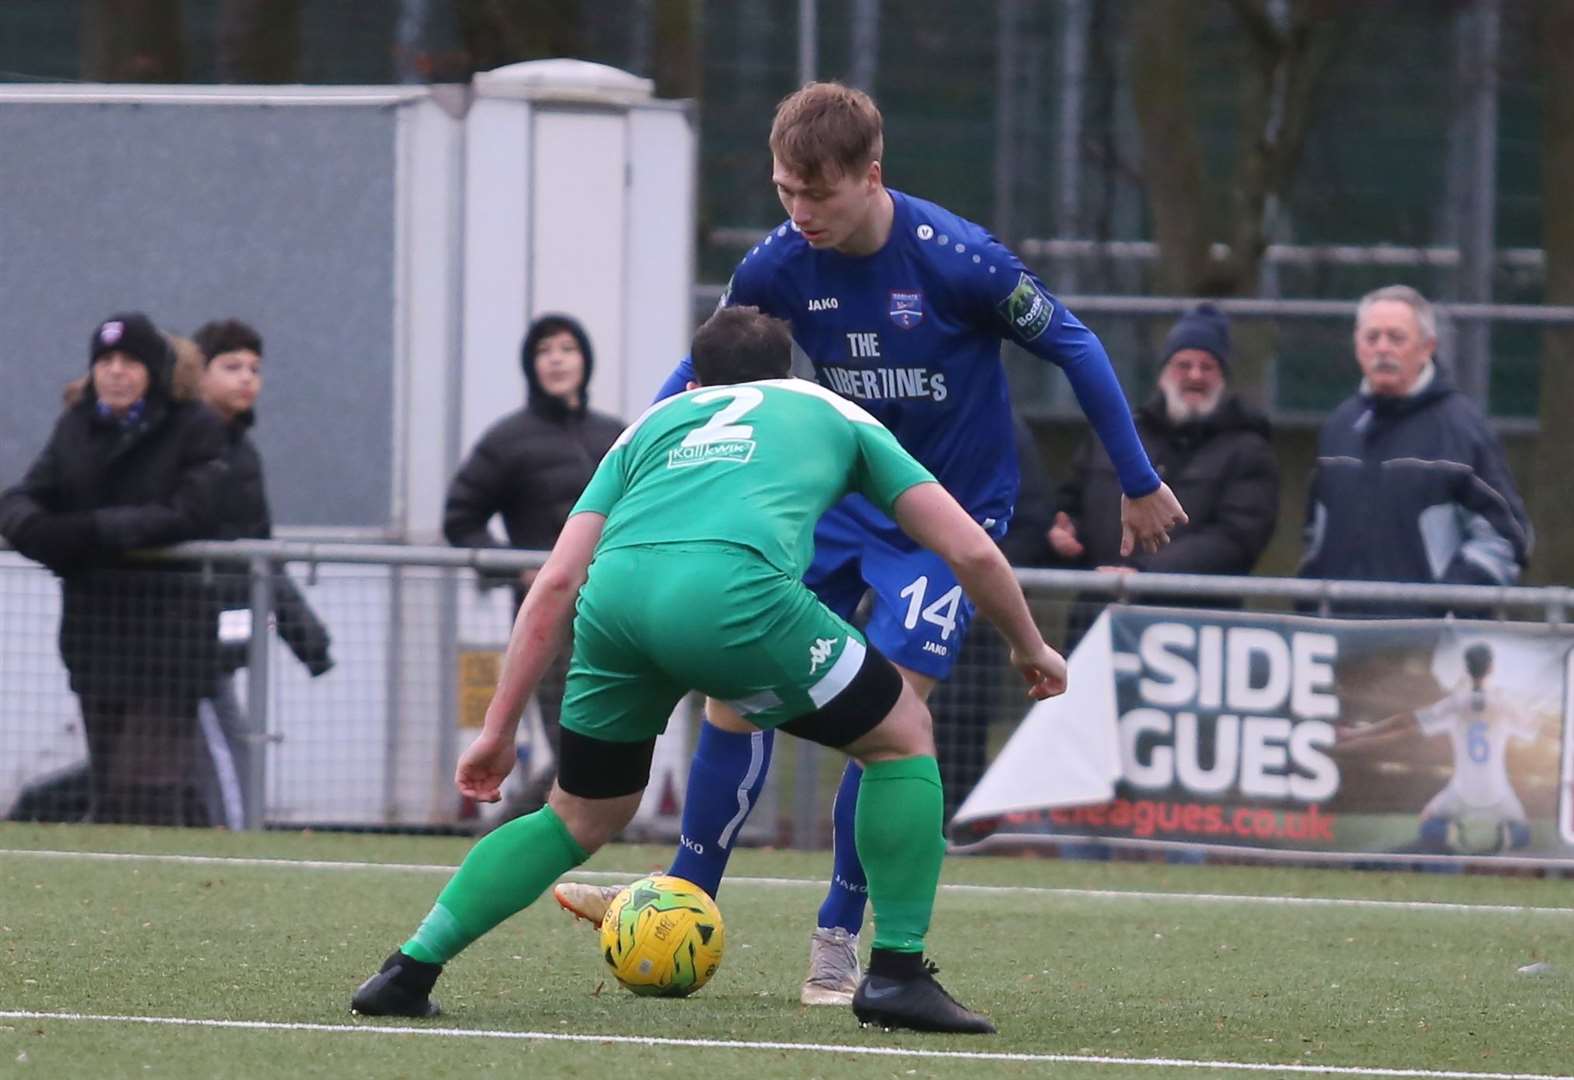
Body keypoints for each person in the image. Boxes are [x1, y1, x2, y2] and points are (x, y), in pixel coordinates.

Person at [554, 81, 1185, 1006]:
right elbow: (703, 370)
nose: (800, 214)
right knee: (737, 699)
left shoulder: (958, 259)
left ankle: (839, 937)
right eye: (784, 193)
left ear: (872, 177)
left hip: (946, 519)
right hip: (833, 503)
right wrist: (642, 468)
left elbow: (1077, 346)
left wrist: (1136, 478)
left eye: (820, 195)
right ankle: (682, 900)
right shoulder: (776, 265)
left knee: (890, 721)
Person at [350, 307, 1067, 1034]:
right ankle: (896, 975)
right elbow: (971, 550)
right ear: (788, 373)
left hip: (616, 603)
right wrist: (1030, 646)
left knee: (579, 812)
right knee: (901, 733)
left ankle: (408, 969)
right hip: (734, 596)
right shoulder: (831, 409)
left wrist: (498, 729)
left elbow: (557, 582)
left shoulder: (649, 425)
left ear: (695, 378)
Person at [0, 312, 229, 825]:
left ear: (153, 371)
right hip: (95, 638)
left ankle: (177, 888)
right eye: (105, 360)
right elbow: (21, 499)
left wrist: (89, 533)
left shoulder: (194, 428)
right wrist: (47, 534)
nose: (116, 372)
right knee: (113, 789)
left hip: (168, 641)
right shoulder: (76, 425)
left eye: (129, 361)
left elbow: (189, 513)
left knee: (146, 790)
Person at [443, 314, 624, 819]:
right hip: (550, 620)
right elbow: (460, 518)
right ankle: (499, 835)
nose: (558, 358)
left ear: (586, 360)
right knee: (574, 750)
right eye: (545, 350)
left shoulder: (616, 435)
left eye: (568, 348)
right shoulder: (508, 439)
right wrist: (517, 568)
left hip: (617, 612)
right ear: (531, 365)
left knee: (611, 745)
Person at [1050, 303, 1280, 648]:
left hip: (1193, 631)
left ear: (1223, 377)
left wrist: (1145, 575)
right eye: (1183, 364)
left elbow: (1235, 540)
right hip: (1097, 623)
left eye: (1208, 366)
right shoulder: (1117, 436)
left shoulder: (1249, 450)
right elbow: (1072, 502)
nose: (1195, 376)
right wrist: (1062, 535)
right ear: (1163, 372)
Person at [1298, 285, 1531, 608]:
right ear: (1356, 345)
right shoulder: (1339, 426)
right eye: (1372, 337)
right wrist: (1310, 606)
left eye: (1396, 338)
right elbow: (1314, 536)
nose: (1382, 349)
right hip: (1341, 637)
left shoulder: (1463, 429)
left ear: (1426, 348)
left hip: (1430, 645)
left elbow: (1507, 536)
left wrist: (1445, 606)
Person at [190, 318, 335, 829]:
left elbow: (261, 555)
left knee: (224, 752)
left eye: (254, 368)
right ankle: (238, 842)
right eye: (231, 366)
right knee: (226, 762)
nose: (247, 378)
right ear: (197, 374)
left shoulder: (241, 452)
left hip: (214, 641)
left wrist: (306, 636)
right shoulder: (192, 447)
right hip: (180, 639)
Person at [928, 414, 1056, 825]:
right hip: (905, 603)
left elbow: (1030, 520)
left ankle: (962, 827)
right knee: (897, 727)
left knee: (959, 726)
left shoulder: (1006, 432)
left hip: (971, 620)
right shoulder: (900, 422)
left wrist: (988, 588)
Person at [1333, 643, 1539, 853]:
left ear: (1466, 669)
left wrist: (1356, 733)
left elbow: (1404, 721)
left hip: (1461, 793)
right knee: (1523, 833)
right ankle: (1499, 840)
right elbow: (1538, 728)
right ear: (1492, 668)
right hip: (1499, 794)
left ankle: (1456, 838)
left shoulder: (1456, 703)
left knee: (1428, 821)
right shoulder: (1503, 704)